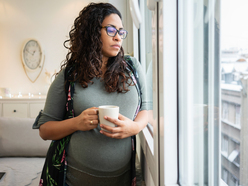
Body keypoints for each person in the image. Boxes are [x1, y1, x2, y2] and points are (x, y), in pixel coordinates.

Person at [33, 2, 148, 186]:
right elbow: (45, 130)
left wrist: (135, 127)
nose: (118, 37)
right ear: (93, 32)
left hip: (122, 179)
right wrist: (77, 123)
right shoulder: (69, 77)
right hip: (73, 179)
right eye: (111, 30)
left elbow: (146, 108)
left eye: (121, 32)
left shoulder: (132, 68)